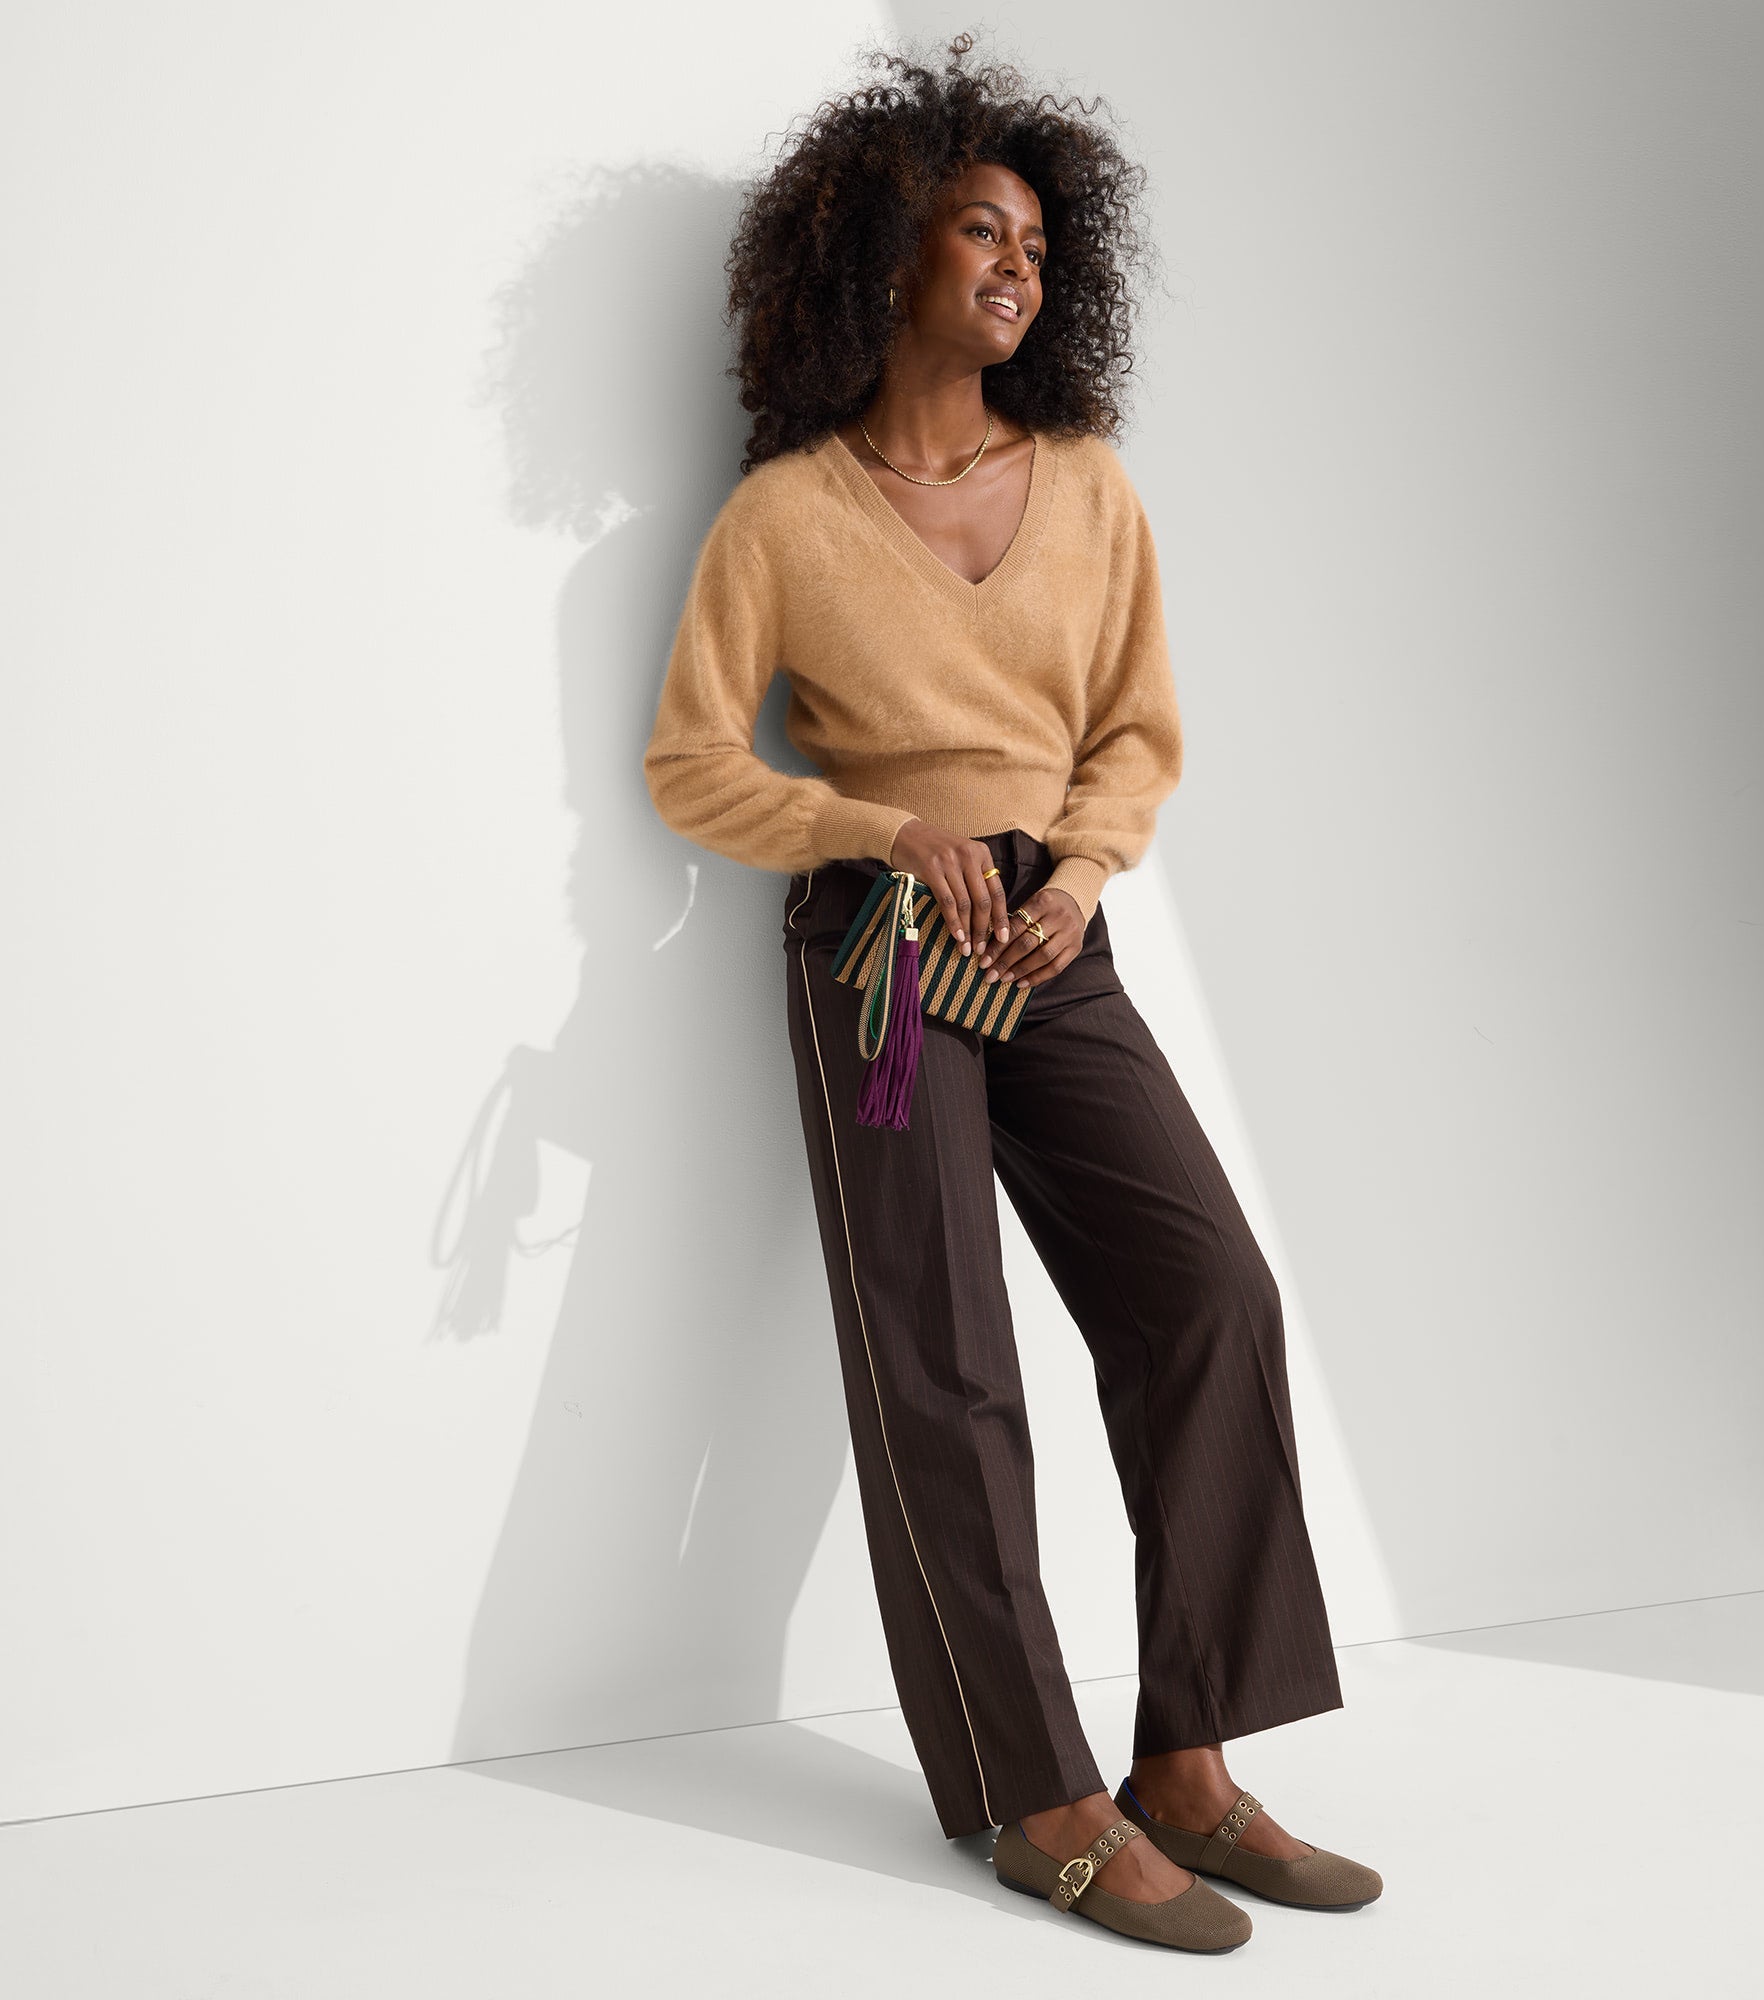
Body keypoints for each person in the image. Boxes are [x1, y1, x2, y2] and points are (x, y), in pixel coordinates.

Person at [641, 32, 1380, 1954]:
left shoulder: (1090, 489)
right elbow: (691, 763)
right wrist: (879, 830)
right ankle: (1036, 1798)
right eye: (984, 232)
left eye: (1042, 246)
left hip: (1053, 947)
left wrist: (1084, 875)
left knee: (1210, 1294)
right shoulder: (785, 516)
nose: (1020, 268)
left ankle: (1186, 1766)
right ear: (888, 251)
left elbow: (1134, 736)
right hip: (884, 964)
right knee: (946, 1368)